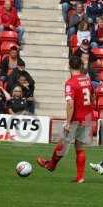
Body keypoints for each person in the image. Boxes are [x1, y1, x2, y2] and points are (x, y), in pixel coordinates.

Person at [37, 56, 94, 184]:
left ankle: (51, 165)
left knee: (63, 144)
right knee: (80, 147)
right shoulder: (87, 79)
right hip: (88, 117)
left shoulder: (70, 83)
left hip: (76, 119)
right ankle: (80, 177)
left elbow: (70, 104)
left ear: (69, 67)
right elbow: (93, 97)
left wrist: (68, 122)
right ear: (80, 66)